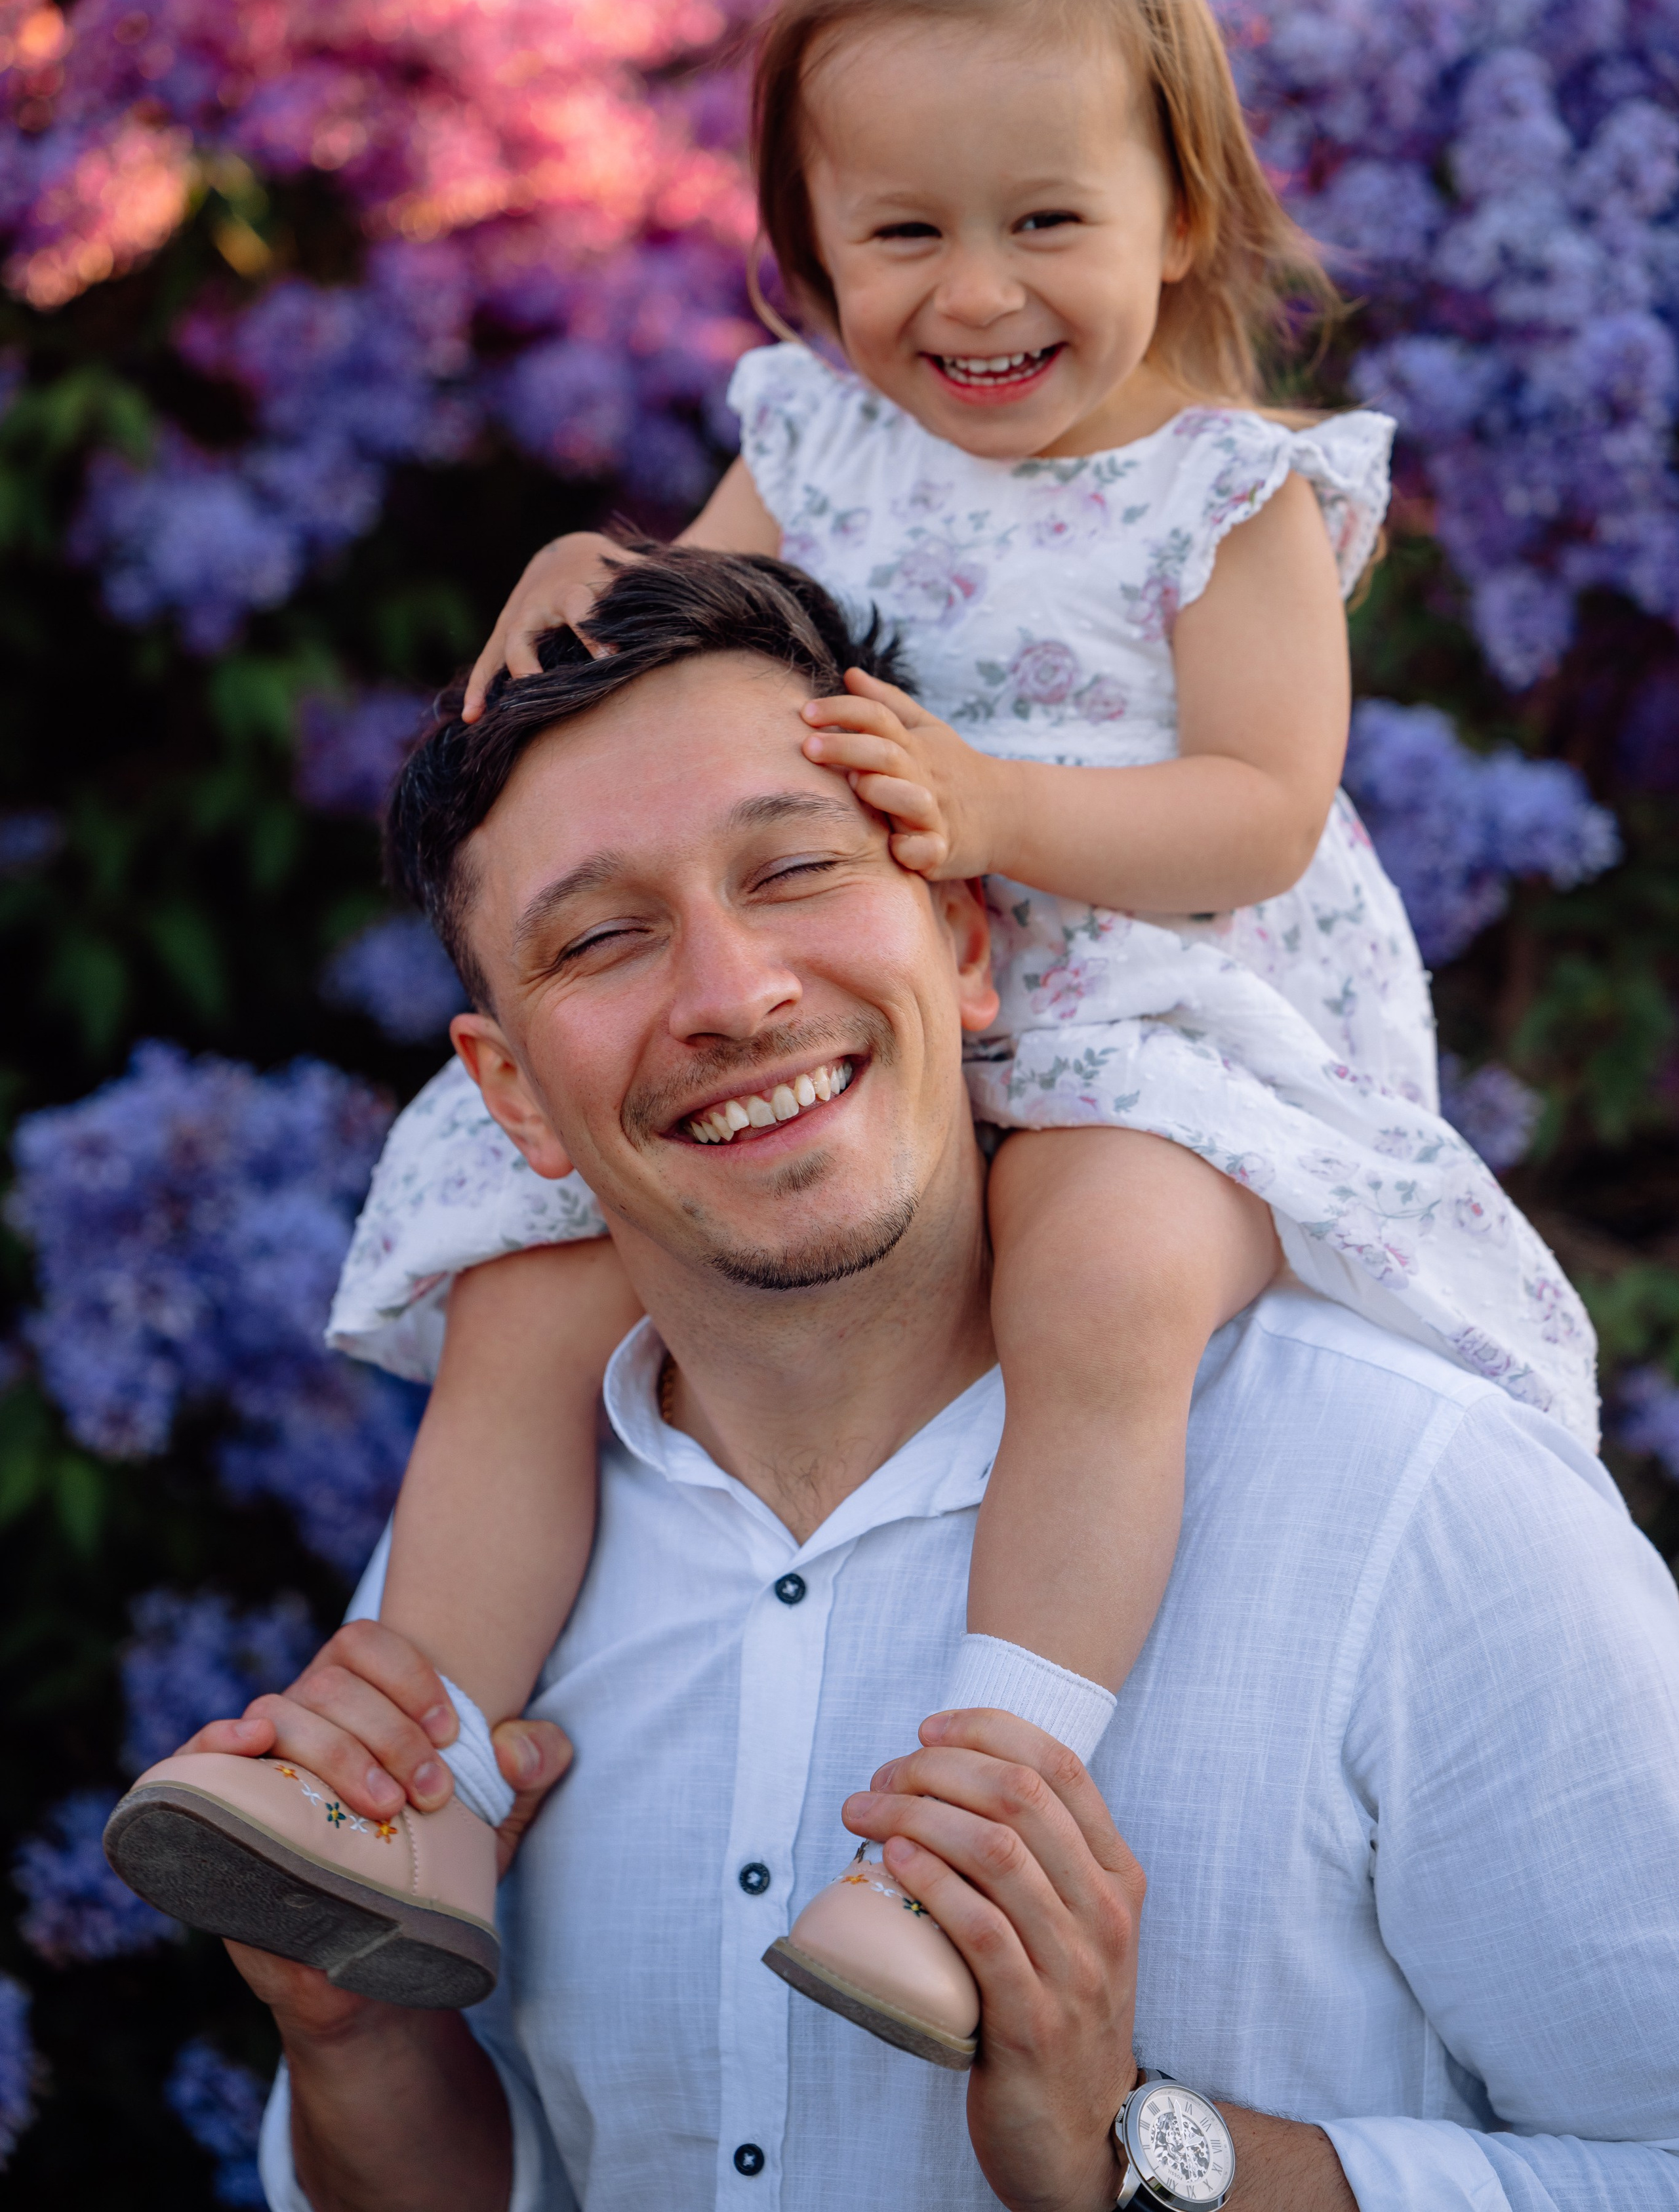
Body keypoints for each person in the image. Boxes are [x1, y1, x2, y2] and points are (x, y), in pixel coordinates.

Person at [108, 0, 1595, 2044]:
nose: (973, 296)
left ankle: (971, 1817)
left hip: (1153, 1013)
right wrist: (573, 570)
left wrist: (991, 807)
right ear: (811, 251)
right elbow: (650, 660)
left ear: (1178, 211)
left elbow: (1259, 816)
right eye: (901, 232)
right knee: (528, 1292)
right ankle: (407, 1772)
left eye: (1045, 222)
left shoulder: (1226, 499)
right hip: (854, 1003)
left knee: (1098, 1295)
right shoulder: (819, 442)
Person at [134, 552, 1679, 2211]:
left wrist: (1140, 2161)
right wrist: (357, 2047)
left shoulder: (1411, 1494)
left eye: (793, 869)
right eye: (602, 939)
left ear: (960, 935)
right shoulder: (478, 1591)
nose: (734, 995)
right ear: (509, 1096)